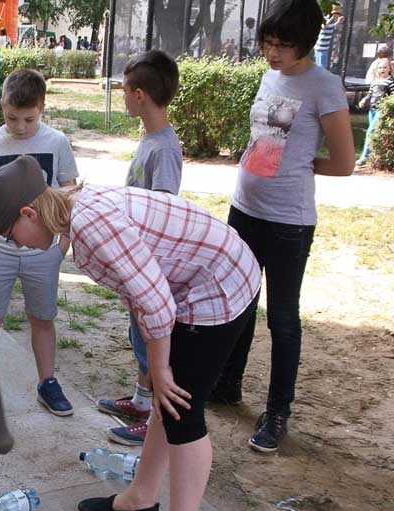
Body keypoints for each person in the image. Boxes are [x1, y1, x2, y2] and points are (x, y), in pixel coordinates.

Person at [0, 155, 261, 511]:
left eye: (13, 236)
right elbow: (139, 291)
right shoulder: (76, 213)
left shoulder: (91, 227)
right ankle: (141, 500)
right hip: (192, 283)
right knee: (169, 403)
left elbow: (157, 302)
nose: (20, 246)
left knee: (182, 411)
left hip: (218, 285)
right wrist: (156, 363)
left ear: (29, 214)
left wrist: (159, 370)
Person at [211, 0, 355, 453]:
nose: (272, 53)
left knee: (283, 318)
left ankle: (277, 413)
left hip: (288, 221)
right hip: (244, 209)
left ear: (306, 42)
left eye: (283, 45)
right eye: (267, 43)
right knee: (238, 303)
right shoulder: (269, 76)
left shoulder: (324, 86)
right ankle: (228, 384)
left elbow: (345, 163)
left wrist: (300, 165)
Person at [0, 69, 78, 424]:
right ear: (2, 107)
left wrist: (63, 243)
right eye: (12, 118)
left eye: (29, 119)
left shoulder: (57, 142)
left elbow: (70, 190)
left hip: (42, 252)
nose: (21, 127)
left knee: (42, 317)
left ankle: (47, 382)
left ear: (42, 108)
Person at [96, 51, 183, 449]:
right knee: (138, 333)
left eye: (124, 90)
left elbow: (162, 208)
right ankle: (140, 400)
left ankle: (153, 418)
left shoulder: (164, 147)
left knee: (150, 339)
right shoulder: (151, 139)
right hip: (136, 256)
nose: (122, 96)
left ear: (140, 95)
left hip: (147, 260)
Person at [356, 57, 393, 167]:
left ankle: (364, 157)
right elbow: (370, 94)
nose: (382, 69)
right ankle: (373, 154)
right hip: (372, 109)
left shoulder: (390, 81)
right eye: (380, 67)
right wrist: (364, 100)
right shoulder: (375, 81)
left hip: (381, 110)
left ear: (389, 68)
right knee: (373, 132)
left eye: (385, 67)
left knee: (370, 131)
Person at [314, 2, 344, 70]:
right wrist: (332, 18)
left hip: (324, 49)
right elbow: (324, 27)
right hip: (320, 48)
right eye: (337, 14)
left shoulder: (333, 21)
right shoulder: (326, 18)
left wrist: (338, 22)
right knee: (321, 69)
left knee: (320, 68)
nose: (338, 16)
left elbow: (332, 26)